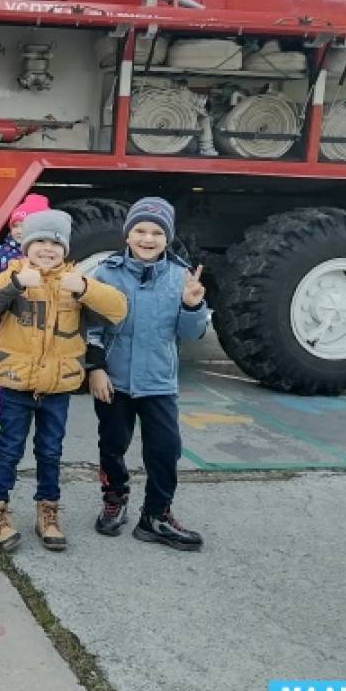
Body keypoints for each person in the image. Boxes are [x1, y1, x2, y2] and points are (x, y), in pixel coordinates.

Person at [0, 210, 128, 553]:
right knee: (9, 449)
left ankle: (48, 512)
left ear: (65, 248)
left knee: (50, 451)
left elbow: (117, 310)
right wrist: (14, 284)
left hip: (57, 387)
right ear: (26, 244)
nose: (46, 248)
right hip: (16, 383)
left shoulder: (75, 279)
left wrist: (84, 288)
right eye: (39, 241)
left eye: (54, 243)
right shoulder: (15, 275)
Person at [85, 197, 209, 551]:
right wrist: (95, 369)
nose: (147, 238)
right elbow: (92, 326)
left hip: (158, 383)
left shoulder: (180, 276)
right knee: (112, 445)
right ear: (127, 235)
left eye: (156, 232)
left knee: (166, 450)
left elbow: (190, 333)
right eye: (140, 230)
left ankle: (156, 514)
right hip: (115, 382)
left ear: (167, 239)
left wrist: (192, 304)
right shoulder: (107, 273)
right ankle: (115, 498)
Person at [0, 192, 50, 439]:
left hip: (31, 330)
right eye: (16, 224)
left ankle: (19, 415)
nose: (18, 230)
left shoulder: (47, 259)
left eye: (25, 226)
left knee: (23, 372)